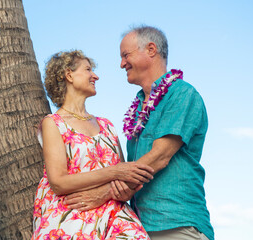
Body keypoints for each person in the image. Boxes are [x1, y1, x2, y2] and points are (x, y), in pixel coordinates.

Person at [65, 26, 214, 240]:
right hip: (138, 227)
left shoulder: (182, 93)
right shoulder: (137, 107)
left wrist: (104, 194)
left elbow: (159, 157)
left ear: (151, 49)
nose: (122, 63)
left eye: (126, 55)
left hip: (176, 223)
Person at [31, 50, 153, 240]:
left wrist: (123, 190)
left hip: (114, 216)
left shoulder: (107, 125)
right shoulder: (53, 123)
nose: (95, 76)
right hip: (70, 215)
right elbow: (58, 182)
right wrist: (114, 172)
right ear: (68, 75)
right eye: (88, 69)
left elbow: (124, 178)